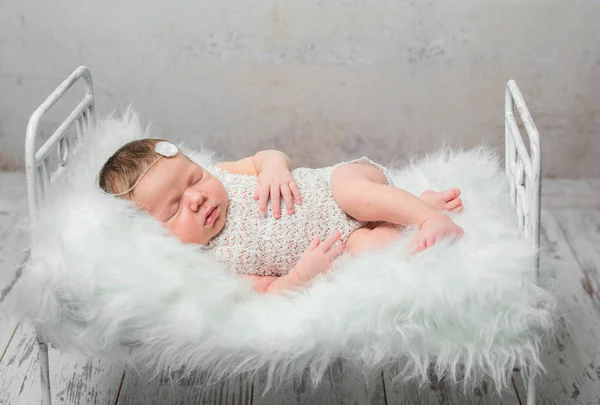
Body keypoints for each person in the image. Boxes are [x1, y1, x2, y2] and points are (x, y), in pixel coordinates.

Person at [98, 139, 464, 294]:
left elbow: (267, 155)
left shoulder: (224, 172)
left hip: (340, 184)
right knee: (374, 250)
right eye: (175, 207)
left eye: (195, 178)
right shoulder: (211, 265)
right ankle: (409, 206)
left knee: (355, 197)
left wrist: (273, 167)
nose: (196, 198)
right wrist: (302, 274)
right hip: (344, 239)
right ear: (154, 235)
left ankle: (427, 214)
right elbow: (270, 292)